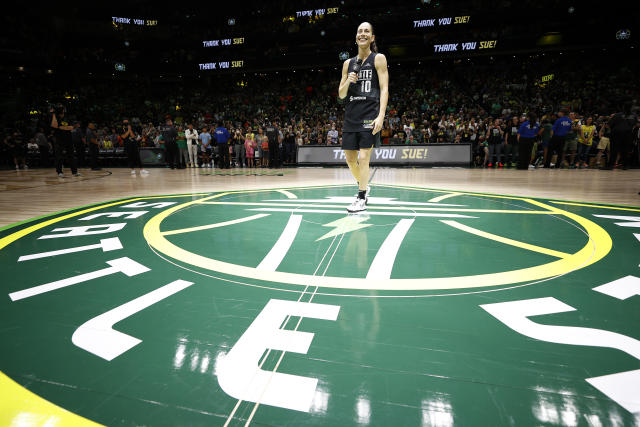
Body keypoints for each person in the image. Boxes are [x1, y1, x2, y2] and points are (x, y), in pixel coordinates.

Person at [338, 21, 389, 213]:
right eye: (360, 31)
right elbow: (341, 94)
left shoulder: (379, 59)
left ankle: (361, 197)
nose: (363, 34)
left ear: (372, 37)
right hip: (351, 115)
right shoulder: (347, 64)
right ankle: (364, 185)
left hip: (370, 114)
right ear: (356, 37)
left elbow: (384, 89)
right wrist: (348, 81)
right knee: (350, 159)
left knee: (364, 156)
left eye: (367, 31)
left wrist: (381, 115)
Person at [50, 106, 79, 177]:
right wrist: (53, 114)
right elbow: (54, 125)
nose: (64, 110)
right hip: (59, 140)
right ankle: (59, 172)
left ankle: (74, 172)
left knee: (71, 156)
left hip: (68, 139)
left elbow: (72, 127)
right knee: (59, 156)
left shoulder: (67, 117)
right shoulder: (55, 117)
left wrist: (61, 127)